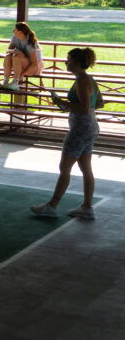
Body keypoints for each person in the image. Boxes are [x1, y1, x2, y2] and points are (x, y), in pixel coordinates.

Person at [30, 48, 103, 220]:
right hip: (91, 127)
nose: (66, 62)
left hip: (80, 129)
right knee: (86, 168)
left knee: (65, 168)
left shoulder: (81, 82)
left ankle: (52, 206)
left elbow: (84, 108)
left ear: (77, 64)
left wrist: (61, 102)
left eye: (68, 60)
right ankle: (87, 206)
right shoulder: (89, 80)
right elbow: (98, 103)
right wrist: (69, 104)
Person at [0, 22, 43, 91]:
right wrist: (16, 51)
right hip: (20, 65)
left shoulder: (30, 41)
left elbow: (35, 64)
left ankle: (15, 82)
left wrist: (21, 75)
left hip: (34, 68)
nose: (13, 31)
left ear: (20, 32)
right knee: (8, 56)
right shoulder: (15, 38)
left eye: (14, 30)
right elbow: (8, 51)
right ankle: (5, 81)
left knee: (16, 57)